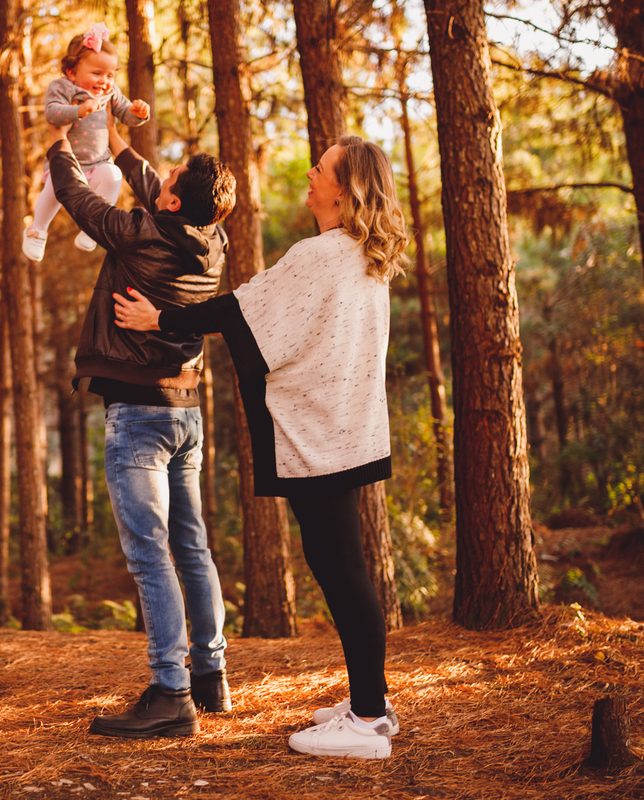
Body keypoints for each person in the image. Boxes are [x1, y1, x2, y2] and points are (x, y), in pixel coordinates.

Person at [113, 135, 409, 759]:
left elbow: (239, 311)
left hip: (320, 434)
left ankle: (366, 718)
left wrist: (159, 320)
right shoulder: (361, 255)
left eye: (321, 168)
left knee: (341, 568)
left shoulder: (322, 255)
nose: (310, 172)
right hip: (347, 430)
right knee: (342, 564)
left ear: (344, 188)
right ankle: (371, 704)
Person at [47, 118, 236, 738]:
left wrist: (57, 146)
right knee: (192, 546)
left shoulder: (141, 233)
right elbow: (152, 181)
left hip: (139, 414)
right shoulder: (212, 238)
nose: (163, 174)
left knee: (150, 554)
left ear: (174, 201)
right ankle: (210, 676)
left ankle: (169, 693)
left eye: (172, 176)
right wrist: (118, 144)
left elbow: (82, 202)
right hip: (186, 412)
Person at [22, 22, 150, 262]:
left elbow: (125, 115)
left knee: (113, 176)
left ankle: (94, 227)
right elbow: (51, 113)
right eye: (97, 73)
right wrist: (78, 111)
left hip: (98, 162)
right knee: (53, 192)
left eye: (110, 75)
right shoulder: (63, 88)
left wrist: (139, 114)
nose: (104, 80)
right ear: (72, 72)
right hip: (66, 161)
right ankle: (37, 229)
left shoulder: (111, 94)